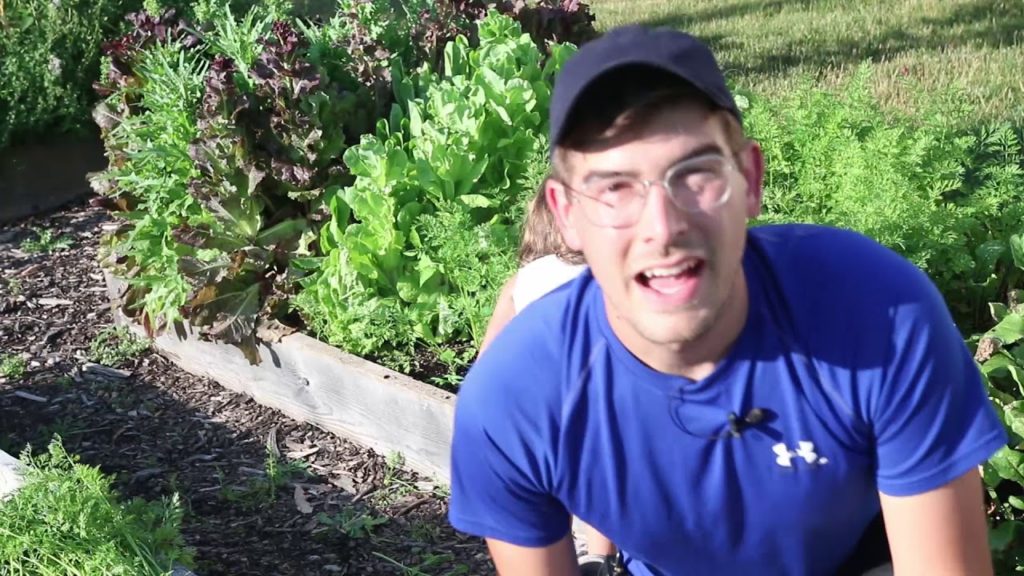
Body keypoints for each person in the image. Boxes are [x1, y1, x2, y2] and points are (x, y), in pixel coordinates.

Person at [448, 23, 1009, 576]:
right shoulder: (515, 398)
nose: (662, 227)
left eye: (694, 174)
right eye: (614, 187)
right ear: (565, 213)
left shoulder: (878, 316)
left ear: (750, 180)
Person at [478, 186, 620, 573]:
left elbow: (487, 359)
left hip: (537, 407)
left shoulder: (523, 281)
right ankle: (601, 557)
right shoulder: (609, 274)